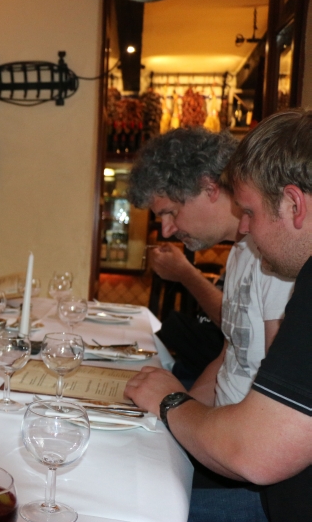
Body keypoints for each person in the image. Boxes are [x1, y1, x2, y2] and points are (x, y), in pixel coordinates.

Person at [125, 109, 312, 522]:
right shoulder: (250, 254)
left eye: (249, 211)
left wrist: (172, 403)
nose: (243, 227)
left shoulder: (283, 264)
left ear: (294, 204)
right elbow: (232, 355)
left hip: (251, 477)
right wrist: (179, 413)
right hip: (228, 442)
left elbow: (259, 450)